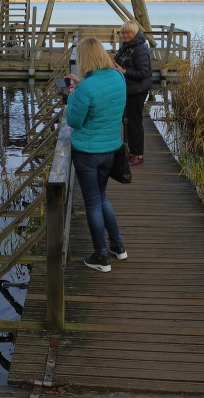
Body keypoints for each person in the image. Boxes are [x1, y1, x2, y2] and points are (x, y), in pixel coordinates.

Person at [64, 37, 127, 273]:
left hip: (88, 154)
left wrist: (73, 95)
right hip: (111, 149)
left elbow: (73, 120)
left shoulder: (86, 89)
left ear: (85, 58)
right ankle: (118, 246)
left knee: (92, 204)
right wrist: (81, 86)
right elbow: (103, 99)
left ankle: (101, 256)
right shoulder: (118, 78)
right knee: (102, 197)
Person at [112, 20, 153, 166]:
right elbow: (120, 61)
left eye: (127, 32)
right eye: (122, 32)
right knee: (128, 121)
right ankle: (131, 151)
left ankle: (138, 155)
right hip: (128, 89)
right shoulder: (127, 46)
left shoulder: (140, 49)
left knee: (135, 123)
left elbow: (142, 72)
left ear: (134, 33)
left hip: (138, 90)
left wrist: (124, 71)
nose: (124, 35)